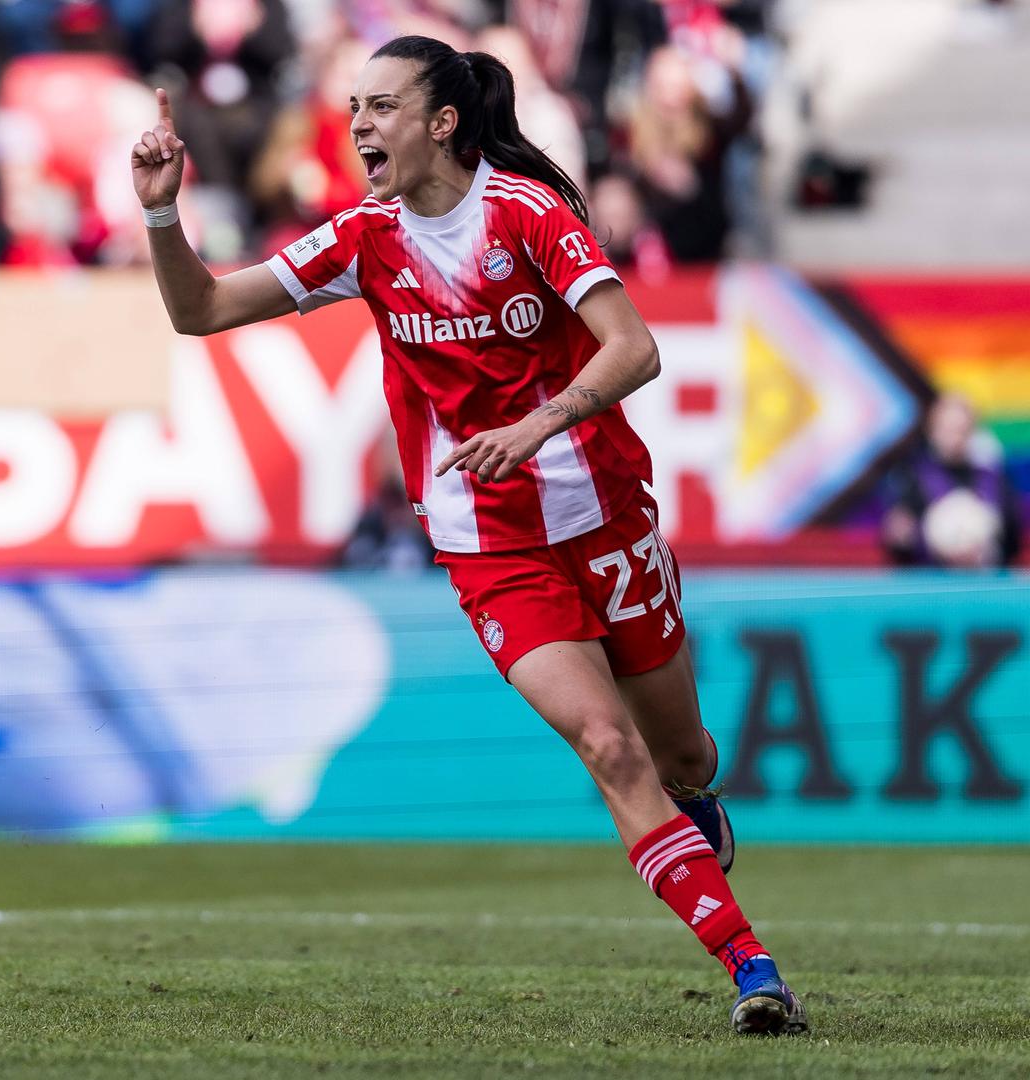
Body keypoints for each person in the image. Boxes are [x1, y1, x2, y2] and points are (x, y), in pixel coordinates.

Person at [130, 35, 809, 1036]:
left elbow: (637, 347)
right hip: (489, 545)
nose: (358, 124)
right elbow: (202, 310)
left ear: (441, 123)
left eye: (380, 106)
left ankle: (693, 821)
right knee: (606, 744)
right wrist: (158, 209)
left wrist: (534, 428)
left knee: (683, 759)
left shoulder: (529, 215)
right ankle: (753, 969)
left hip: (603, 517)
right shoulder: (365, 236)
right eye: (354, 107)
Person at [882, 394, 1022, 569]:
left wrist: (990, 550)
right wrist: (900, 539)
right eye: (948, 430)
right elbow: (898, 549)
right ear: (932, 431)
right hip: (932, 582)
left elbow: (1013, 540)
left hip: (983, 579)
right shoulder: (911, 478)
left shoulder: (993, 478)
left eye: (961, 430)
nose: (955, 438)